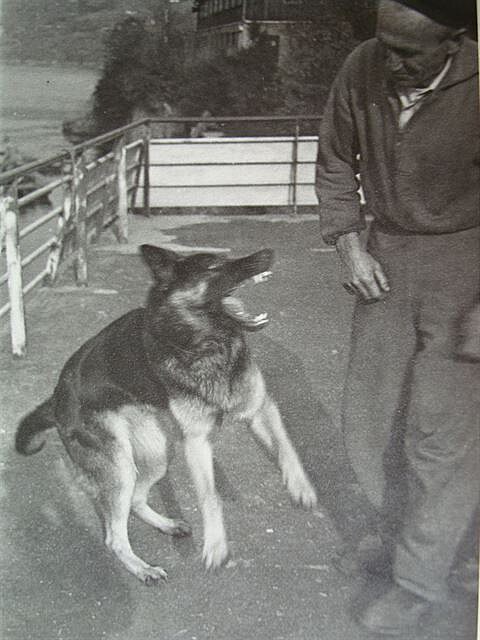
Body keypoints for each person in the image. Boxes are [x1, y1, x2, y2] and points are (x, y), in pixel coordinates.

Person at [315, 0, 479, 635]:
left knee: (440, 433)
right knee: (372, 417)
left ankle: (420, 583)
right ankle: (402, 537)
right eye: (386, 45)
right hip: (386, 257)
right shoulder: (362, 69)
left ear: (453, 41)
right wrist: (348, 242)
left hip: (466, 263)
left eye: (410, 52)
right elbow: (334, 161)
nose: (393, 62)